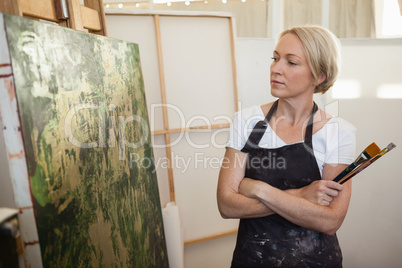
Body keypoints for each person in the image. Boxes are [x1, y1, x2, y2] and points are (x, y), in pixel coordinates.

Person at [217, 25, 356, 268]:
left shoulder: (338, 132)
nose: (276, 69)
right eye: (275, 58)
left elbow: (330, 220)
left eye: (291, 62)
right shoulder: (246, 121)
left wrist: (258, 188)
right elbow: (226, 205)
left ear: (319, 76)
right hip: (252, 260)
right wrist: (300, 196)